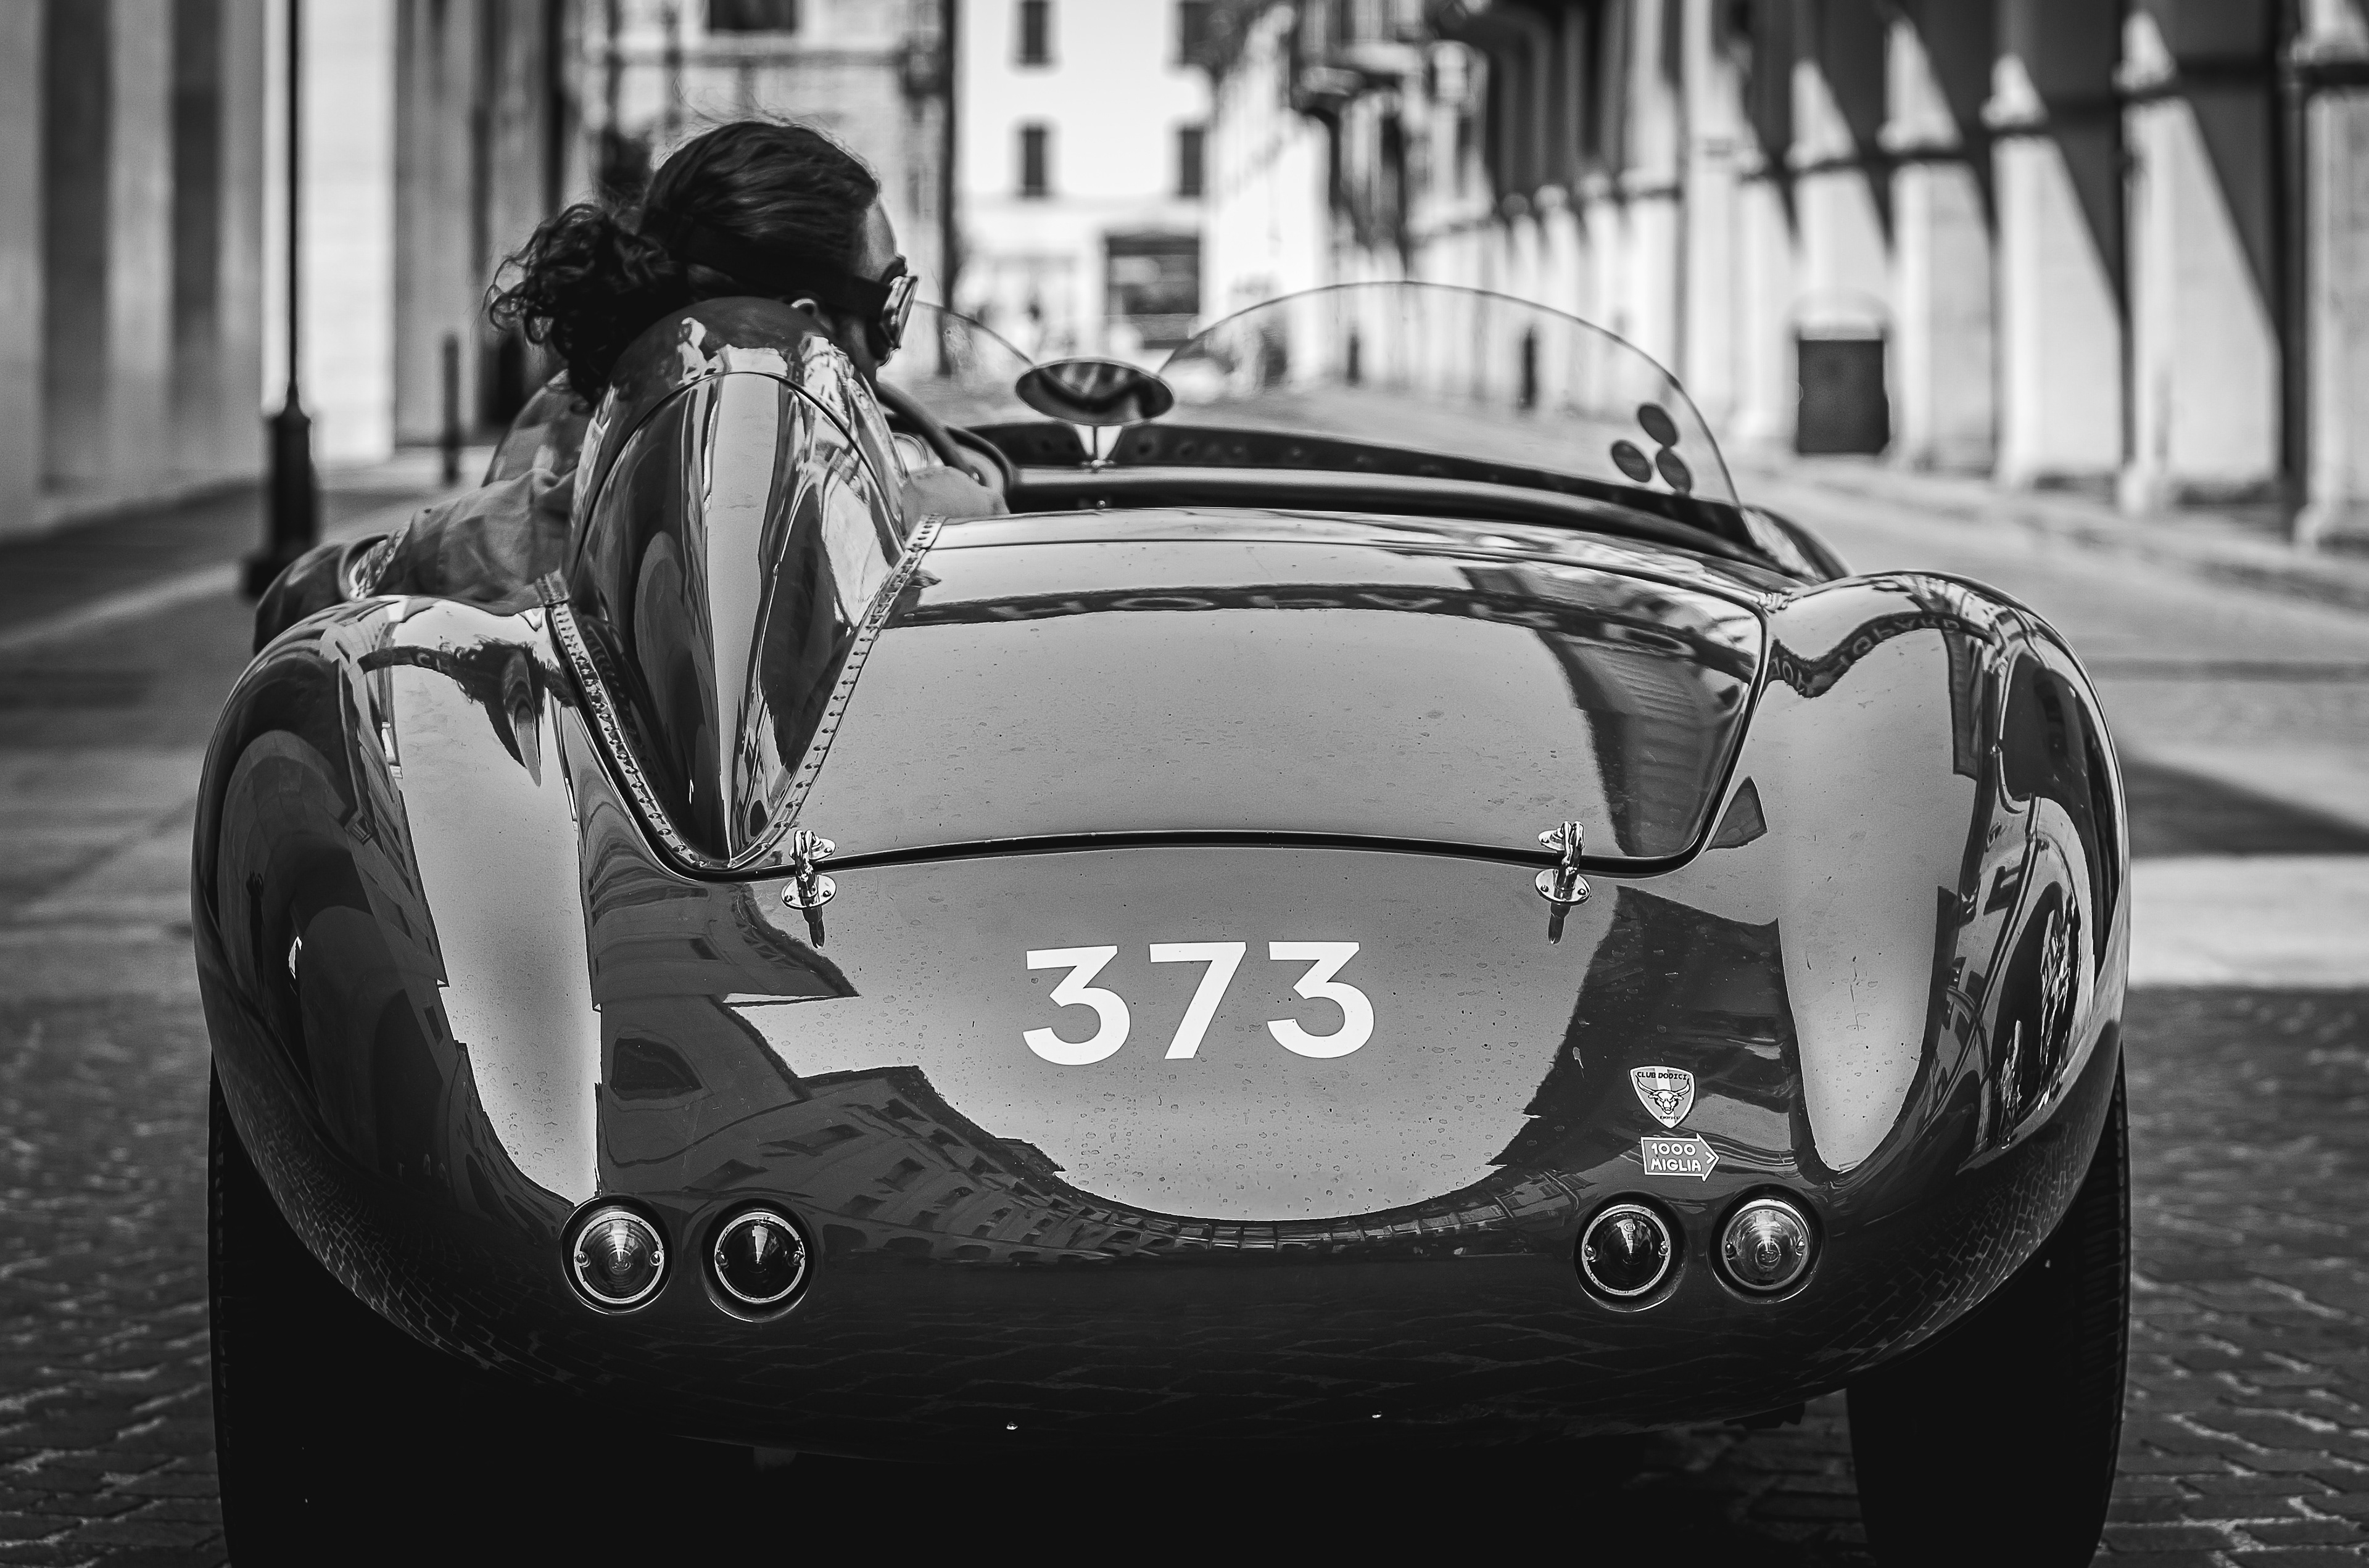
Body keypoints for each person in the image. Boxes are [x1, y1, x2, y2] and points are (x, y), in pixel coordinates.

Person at [328, 121, 1003, 621]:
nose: (888, 350)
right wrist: (943, 523)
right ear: (805, 331)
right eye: (888, 308)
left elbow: (318, 591)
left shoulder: (513, 496)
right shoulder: (916, 533)